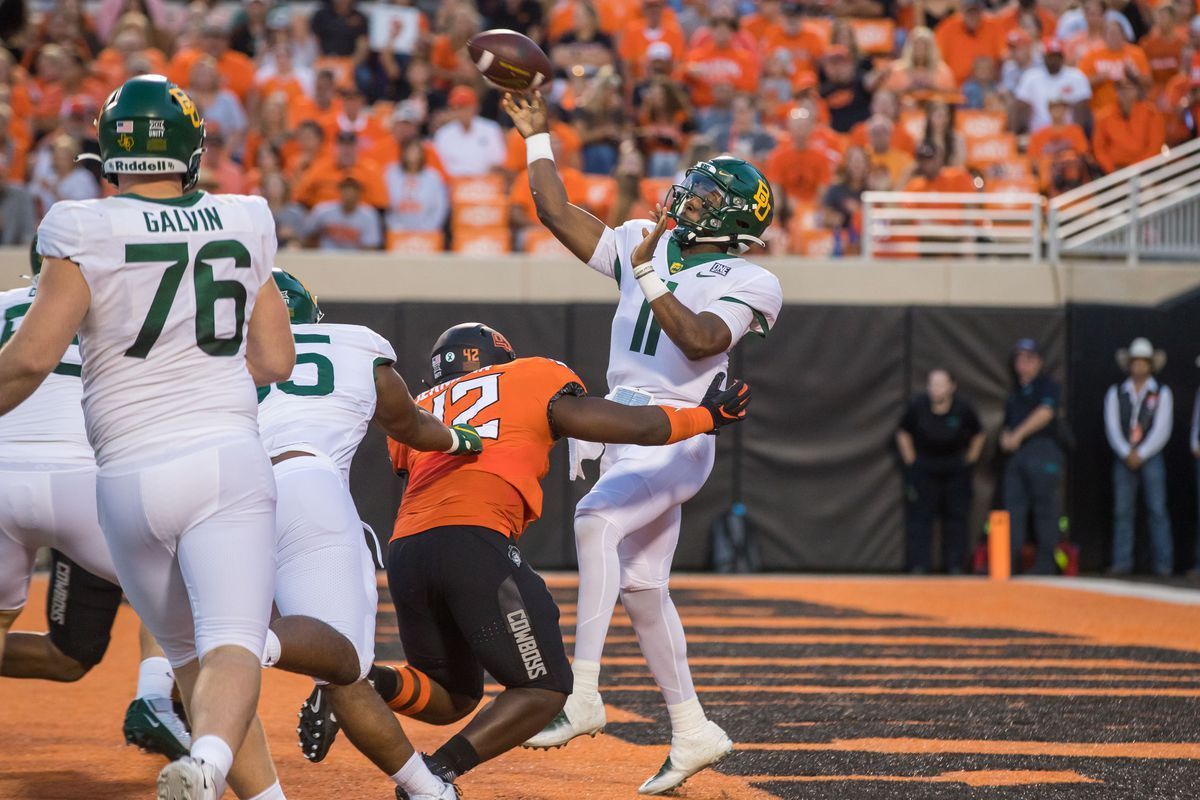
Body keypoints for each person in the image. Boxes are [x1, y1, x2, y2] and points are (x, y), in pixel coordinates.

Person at [296, 322, 751, 797]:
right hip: (474, 541)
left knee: (452, 695)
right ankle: (434, 776)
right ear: (499, 355)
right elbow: (633, 425)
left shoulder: (421, 405)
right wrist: (705, 417)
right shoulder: (530, 375)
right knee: (546, 689)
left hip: (407, 550)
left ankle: (360, 681)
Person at [0, 75, 296, 800]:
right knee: (231, 644)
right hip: (223, 456)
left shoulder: (79, 225)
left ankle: (258, 792)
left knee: (192, 655)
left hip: (125, 474)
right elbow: (275, 360)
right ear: (192, 149)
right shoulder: (246, 217)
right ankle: (210, 764)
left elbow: (33, 358)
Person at [502, 90, 783, 794]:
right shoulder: (638, 237)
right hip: (626, 426)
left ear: (729, 217)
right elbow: (555, 213)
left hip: (679, 429)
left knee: (595, 520)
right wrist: (538, 137)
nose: (685, 197)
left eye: (704, 194)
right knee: (644, 587)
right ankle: (691, 728)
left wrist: (653, 272)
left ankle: (584, 690)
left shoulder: (752, 277)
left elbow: (700, 339)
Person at [257, 271, 480, 800]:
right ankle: (428, 792)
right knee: (347, 667)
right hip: (305, 483)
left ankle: (207, 744)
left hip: (219, 490)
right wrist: (457, 438)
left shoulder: (211, 353)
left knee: (219, 661)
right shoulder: (352, 342)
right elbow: (408, 424)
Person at [0, 240, 191, 762]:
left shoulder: (3, 303)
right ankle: (154, 697)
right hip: (86, 478)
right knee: (179, 586)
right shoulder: (125, 313)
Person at [896, 368, 985, 574]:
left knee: (956, 517)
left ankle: (955, 565)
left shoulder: (963, 408)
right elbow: (902, 432)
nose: (935, 389)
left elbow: (979, 433)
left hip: (955, 467)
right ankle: (919, 565)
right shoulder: (918, 405)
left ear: (951, 386)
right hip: (926, 466)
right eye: (932, 384)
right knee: (920, 517)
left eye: (940, 384)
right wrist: (911, 460)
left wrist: (969, 459)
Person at [1104, 338, 1174, 576]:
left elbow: (1162, 428)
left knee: (1157, 510)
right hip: (1124, 456)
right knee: (1122, 511)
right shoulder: (1116, 393)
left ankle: (1163, 565)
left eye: (1144, 362)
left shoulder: (1161, 392)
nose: (1139, 367)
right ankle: (1121, 562)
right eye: (1135, 362)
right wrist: (1127, 452)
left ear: (1150, 365)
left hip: (1151, 456)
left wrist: (1142, 453)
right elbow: (1112, 427)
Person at [1000, 338, 1064, 575]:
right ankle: (1008, 562)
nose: (1023, 364)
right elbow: (1008, 423)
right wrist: (1006, 437)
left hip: (1043, 449)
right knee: (1013, 509)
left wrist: (1017, 434)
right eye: (1019, 358)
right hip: (1017, 455)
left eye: (1029, 358)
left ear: (1039, 362)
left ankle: (1046, 563)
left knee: (1045, 508)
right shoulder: (1014, 393)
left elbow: (1045, 413)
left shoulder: (1047, 385)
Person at [306, 176, 384, 251]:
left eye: (353, 189)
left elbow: (370, 247)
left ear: (359, 193)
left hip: (355, 260)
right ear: (340, 191)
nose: (349, 193)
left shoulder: (369, 215)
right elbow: (309, 236)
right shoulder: (322, 211)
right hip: (326, 257)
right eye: (346, 189)